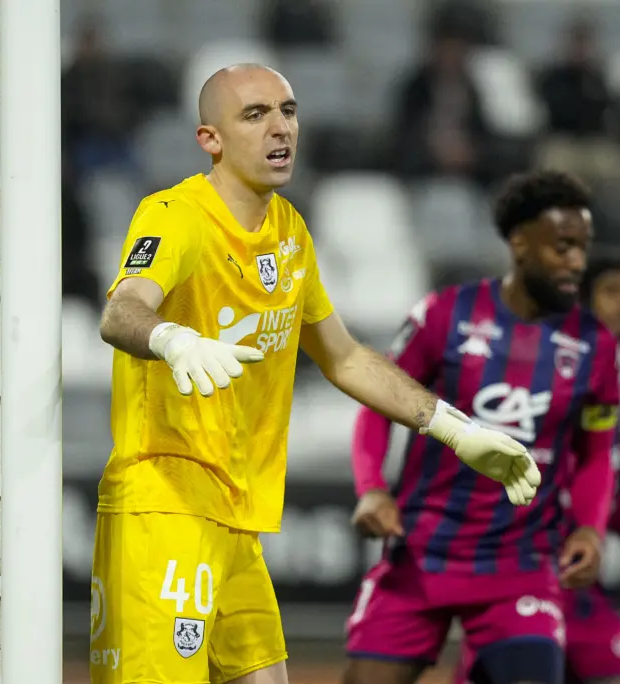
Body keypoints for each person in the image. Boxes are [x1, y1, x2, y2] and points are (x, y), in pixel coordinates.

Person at [90, 63, 541, 684]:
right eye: (255, 115)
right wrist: (170, 337)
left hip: (237, 518)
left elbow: (345, 357)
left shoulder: (290, 234)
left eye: (289, 111)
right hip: (163, 507)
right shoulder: (175, 216)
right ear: (210, 139)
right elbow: (120, 311)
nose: (281, 128)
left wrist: (453, 429)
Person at [345, 170, 620, 684]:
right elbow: (376, 405)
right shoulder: (445, 315)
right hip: (421, 554)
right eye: (563, 248)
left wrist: (589, 529)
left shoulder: (596, 347)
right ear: (519, 242)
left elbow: (597, 453)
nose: (577, 264)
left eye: (583, 249)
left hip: (521, 566)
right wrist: (372, 489)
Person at [452, 252, 620, 684]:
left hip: (578, 593)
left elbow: (612, 501)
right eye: (613, 291)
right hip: (518, 585)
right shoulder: (536, 382)